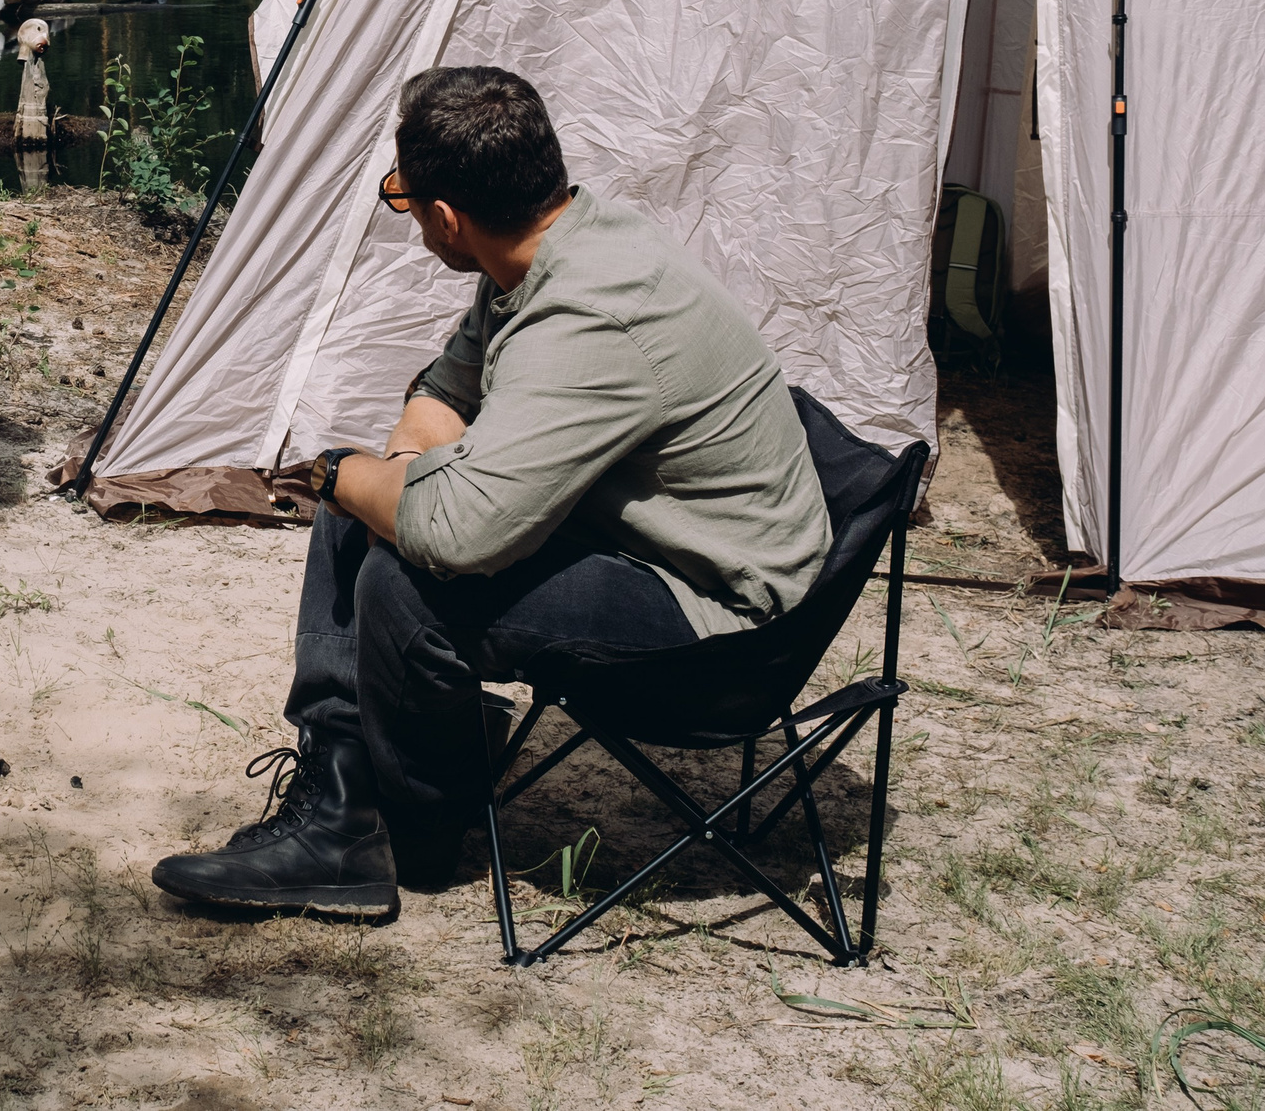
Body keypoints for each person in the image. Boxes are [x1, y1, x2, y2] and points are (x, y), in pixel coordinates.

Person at [150, 66, 830, 923]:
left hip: (726, 623)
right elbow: (445, 389)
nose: (408, 213)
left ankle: (414, 832)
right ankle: (341, 807)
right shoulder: (545, 251)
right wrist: (382, 476)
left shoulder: (584, 316)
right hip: (672, 547)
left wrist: (335, 472)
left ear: (444, 217)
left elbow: (460, 535)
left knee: (405, 575)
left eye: (403, 197)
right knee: (367, 512)